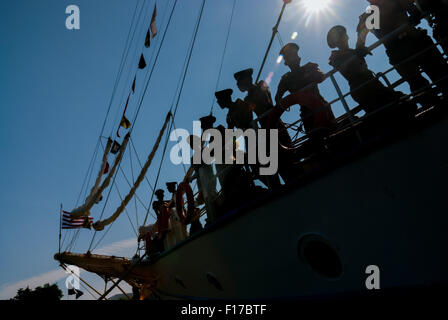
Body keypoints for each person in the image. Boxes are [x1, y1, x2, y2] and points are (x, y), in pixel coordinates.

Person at [357, 0, 448, 108]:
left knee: (439, 72)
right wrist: (361, 47)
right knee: (418, 83)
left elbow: (413, 10)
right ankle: (431, 105)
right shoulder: (371, 13)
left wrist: (414, 15)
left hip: (414, 42)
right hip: (399, 51)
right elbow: (361, 37)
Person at [327, 25, 417, 119]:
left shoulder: (352, 51)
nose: (343, 38)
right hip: (361, 86)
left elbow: (356, 51)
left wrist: (363, 34)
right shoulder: (335, 56)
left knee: (399, 104)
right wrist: (358, 51)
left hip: (370, 81)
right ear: (335, 42)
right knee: (385, 111)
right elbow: (341, 63)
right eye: (339, 37)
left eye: (343, 35)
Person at [234, 68, 298, 185]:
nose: (238, 85)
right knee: (276, 160)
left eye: (240, 82)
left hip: (275, 124)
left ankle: (296, 179)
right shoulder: (247, 99)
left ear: (249, 79)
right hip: (264, 129)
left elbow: (266, 100)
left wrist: (253, 93)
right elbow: (249, 113)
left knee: (288, 156)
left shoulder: (261, 86)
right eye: (238, 83)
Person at [275, 43, 336, 135]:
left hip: (321, 106)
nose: (295, 58)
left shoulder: (310, 67)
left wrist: (315, 74)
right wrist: (289, 101)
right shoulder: (285, 79)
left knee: (334, 132)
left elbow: (321, 76)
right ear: (286, 62)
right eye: (290, 56)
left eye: (295, 54)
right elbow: (278, 98)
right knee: (316, 140)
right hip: (307, 113)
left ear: (299, 58)